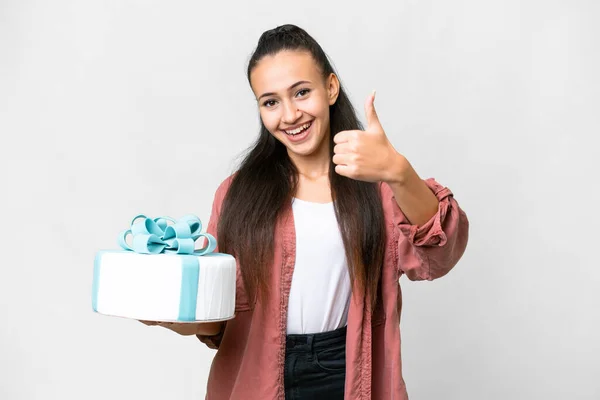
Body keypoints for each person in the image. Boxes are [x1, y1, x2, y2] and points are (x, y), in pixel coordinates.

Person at [140, 24, 469, 400]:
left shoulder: (376, 184)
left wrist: (398, 171)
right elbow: (218, 317)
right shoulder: (236, 194)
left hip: (344, 369)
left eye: (301, 92)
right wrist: (168, 315)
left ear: (330, 88)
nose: (290, 114)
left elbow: (440, 254)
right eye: (270, 101)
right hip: (257, 370)